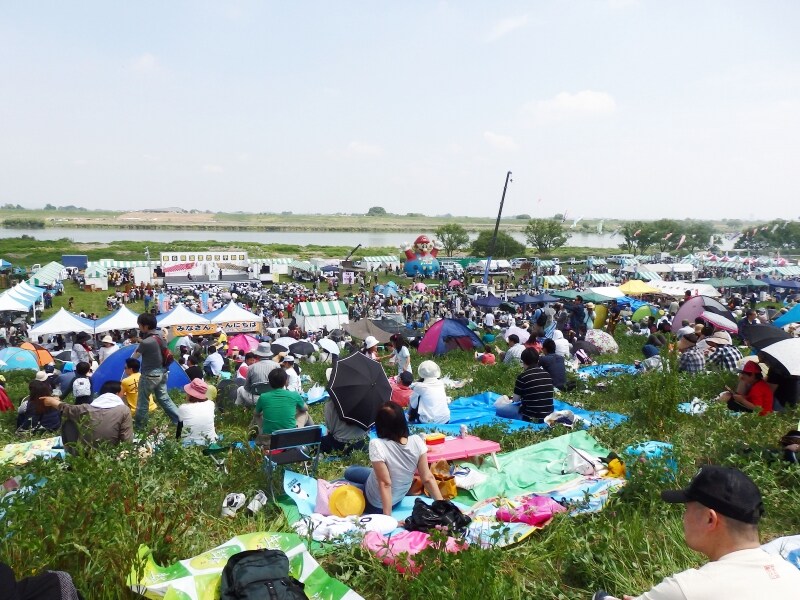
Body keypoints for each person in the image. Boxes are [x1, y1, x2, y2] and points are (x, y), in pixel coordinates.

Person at [596, 465, 800, 599]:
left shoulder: (687, 589)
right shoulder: (791, 574)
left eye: (687, 510)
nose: (683, 518)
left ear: (710, 518)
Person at [344, 401, 442, 515]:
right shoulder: (417, 441)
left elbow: (385, 483)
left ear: (380, 424)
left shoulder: (377, 444)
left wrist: (388, 518)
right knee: (353, 472)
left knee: (346, 478)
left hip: (376, 504)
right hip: (397, 497)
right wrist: (444, 507)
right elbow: (428, 478)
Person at [42, 380, 133, 449]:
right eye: (122, 393)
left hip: (84, 451)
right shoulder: (124, 410)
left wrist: (52, 401)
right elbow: (127, 439)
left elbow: (67, 408)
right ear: (117, 394)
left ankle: (72, 451)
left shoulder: (86, 408)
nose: (123, 394)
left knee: (69, 420)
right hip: (109, 453)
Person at [132, 312, 181, 431]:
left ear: (146, 326)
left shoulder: (145, 342)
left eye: (140, 325)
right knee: (164, 398)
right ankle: (180, 420)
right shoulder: (161, 336)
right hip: (163, 372)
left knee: (143, 402)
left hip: (149, 374)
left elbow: (134, 357)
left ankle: (140, 428)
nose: (139, 327)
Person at [496, 348, 554, 423]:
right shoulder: (547, 374)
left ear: (523, 361)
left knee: (499, 408)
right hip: (548, 415)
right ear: (538, 360)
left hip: (529, 417)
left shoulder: (522, 376)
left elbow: (515, 400)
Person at [254, 367, 311, 441]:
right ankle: (314, 436)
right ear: (285, 381)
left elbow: (256, 413)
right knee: (304, 413)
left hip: (269, 438)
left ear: (270, 382)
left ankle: (256, 433)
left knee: (257, 414)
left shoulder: (263, 397)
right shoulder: (294, 395)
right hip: (289, 437)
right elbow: (305, 408)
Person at [236, 342, 279, 407]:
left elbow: (247, 387)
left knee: (240, 389)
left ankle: (239, 411)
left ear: (258, 355)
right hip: (273, 396)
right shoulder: (277, 365)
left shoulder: (251, 367)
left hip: (256, 399)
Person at [177, 378, 217, 445]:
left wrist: (177, 441)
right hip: (211, 442)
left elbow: (179, 431)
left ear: (190, 394)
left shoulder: (183, 408)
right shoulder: (211, 404)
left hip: (190, 445)